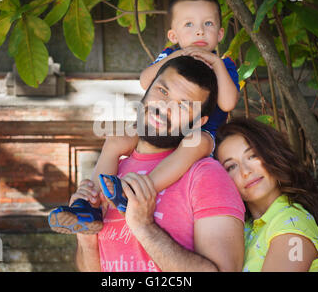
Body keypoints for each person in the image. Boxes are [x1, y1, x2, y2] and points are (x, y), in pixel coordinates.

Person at [48, 0, 240, 234]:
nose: (200, 30)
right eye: (189, 24)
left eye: (208, 23)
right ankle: (89, 206)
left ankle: (136, 191)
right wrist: (177, 55)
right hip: (162, 127)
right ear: (173, 34)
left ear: (220, 33)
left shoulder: (224, 65)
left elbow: (227, 103)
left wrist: (215, 63)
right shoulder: (169, 55)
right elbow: (145, 80)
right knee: (117, 139)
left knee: (196, 141)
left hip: (201, 132)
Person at [74, 56, 245, 271]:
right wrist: (87, 241)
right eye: (162, 91)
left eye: (183, 105)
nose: (164, 107)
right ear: (147, 89)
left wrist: (144, 227)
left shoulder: (206, 176)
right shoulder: (114, 170)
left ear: (199, 122)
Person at [215, 117, 318, 272]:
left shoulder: (292, 224)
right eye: (231, 167)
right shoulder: (243, 228)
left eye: (252, 156)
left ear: (272, 154)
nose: (245, 171)